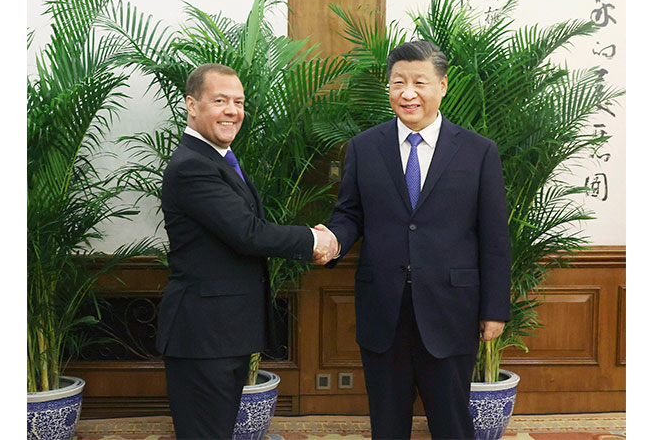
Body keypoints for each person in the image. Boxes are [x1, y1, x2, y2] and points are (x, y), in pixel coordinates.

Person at [320, 41, 512, 439]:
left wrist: (494, 309)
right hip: (383, 309)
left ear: (442, 86)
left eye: (419, 82)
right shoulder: (364, 147)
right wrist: (333, 241)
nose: (408, 93)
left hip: (451, 309)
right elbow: (349, 214)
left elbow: (494, 236)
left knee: (452, 423)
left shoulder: (478, 152)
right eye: (398, 83)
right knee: (387, 424)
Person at [156, 63, 338, 439]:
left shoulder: (218, 160)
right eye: (220, 101)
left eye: (238, 102)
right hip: (203, 335)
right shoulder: (192, 166)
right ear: (191, 105)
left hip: (223, 333)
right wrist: (314, 241)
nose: (232, 111)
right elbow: (247, 233)